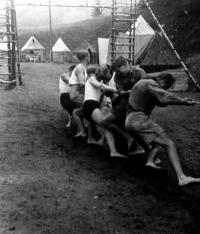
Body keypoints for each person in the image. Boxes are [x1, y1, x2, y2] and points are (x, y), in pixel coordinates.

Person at [125, 72, 200, 186]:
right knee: (169, 144)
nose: (164, 89)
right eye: (166, 87)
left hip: (129, 122)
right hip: (139, 119)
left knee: (154, 145)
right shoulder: (150, 83)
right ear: (163, 81)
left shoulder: (143, 83)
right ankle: (182, 177)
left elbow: (160, 101)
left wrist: (182, 101)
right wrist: (183, 101)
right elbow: (165, 97)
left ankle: (151, 161)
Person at [101, 56, 148, 154]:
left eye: (119, 70)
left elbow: (145, 91)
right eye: (116, 71)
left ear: (126, 64)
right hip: (123, 104)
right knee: (104, 122)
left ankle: (150, 152)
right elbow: (121, 92)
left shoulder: (140, 73)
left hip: (138, 106)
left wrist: (128, 92)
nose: (118, 73)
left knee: (138, 127)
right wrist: (128, 92)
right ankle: (128, 138)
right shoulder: (117, 76)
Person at [82, 64, 127, 158]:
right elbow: (101, 86)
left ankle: (105, 144)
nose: (102, 79)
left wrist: (105, 93)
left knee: (106, 124)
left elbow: (99, 95)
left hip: (92, 105)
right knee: (106, 124)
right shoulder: (91, 78)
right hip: (89, 105)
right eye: (102, 76)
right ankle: (115, 148)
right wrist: (116, 90)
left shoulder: (97, 80)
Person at [69, 50, 90, 137]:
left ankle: (81, 131)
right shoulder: (80, 67)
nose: (90, 57)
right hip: (76, 95)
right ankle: (86, 133)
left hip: (77, 94)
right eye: (89, 55)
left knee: (77, 112)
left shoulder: (82, 67)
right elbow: (82, 83)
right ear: (86, 57)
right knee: (88, 109)